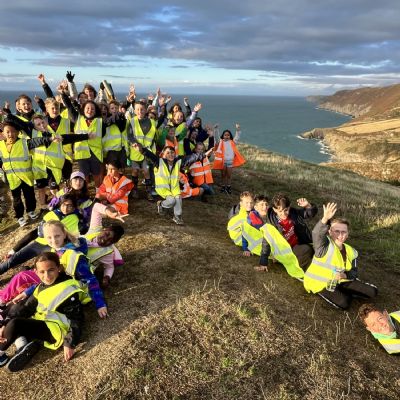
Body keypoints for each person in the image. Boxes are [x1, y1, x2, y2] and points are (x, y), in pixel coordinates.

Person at [0, 252, 90, 371]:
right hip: (43, 322)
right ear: (36, 272)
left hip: (56, 331)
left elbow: (77, 319)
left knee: (15, 324)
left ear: (59, 268)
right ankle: (23, 346)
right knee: (15, 313)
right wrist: (5, 324)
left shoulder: (68, 289)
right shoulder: (41, 286)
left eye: (51, 270)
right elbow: (27, 308)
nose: (47, 276)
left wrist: (69, 343)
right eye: (42, 272)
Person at [304, 202, 378, 309]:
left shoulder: (352, 251)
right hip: (320, 283)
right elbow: (317, 234)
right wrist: (325, 218)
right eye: (337, 231)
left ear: (348, 234)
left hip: (340, 281)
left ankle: (345, 290)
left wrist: (345, 276)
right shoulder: (323, 245)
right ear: (330, 232)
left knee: (373, 292)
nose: (340, 235)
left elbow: (354, 272)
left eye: (344, 232)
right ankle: (341, 293)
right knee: (345, 302)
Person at [0, 195, 84, 275]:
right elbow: (33, 234)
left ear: (74, 207)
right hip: (39, 244)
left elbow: (76, 235)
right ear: (60, 204)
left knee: (49, 269)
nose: (65, 208)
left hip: (56, 248)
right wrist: (13, 250)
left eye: (69, 206)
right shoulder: (51, 215)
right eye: (63, 205)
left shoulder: (75, 218)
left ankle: (28, 272)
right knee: (12, 260)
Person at [0, 119, 61, 226]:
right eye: (7, 132)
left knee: (29, 195)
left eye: (13, 131)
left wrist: (50, 138)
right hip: (13, 178)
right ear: (3, 133)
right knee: (17, 199)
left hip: (26, 176)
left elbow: (38, 141)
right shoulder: (1, 146)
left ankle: (31, 211)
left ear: (18, 132)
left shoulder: (24, 143)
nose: (10, 134)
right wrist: (1, 165)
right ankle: (20, 216)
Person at [134, 143, 207, 225]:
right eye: (168, 153)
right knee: (172, 201)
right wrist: (141, 149)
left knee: (178, 198)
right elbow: (149, 155)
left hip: (174, 188)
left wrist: (204, 155)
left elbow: (191, 158)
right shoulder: (159, 162)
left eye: (172, 152)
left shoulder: (178, 162)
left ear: (175, 154)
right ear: (164, 155)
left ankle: (177, 217)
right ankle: (161, 204)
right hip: (163, 189)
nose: (170, 154)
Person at [241, 195, 305, 279]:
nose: (265, 207)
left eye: (266, 204)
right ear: (255, 207)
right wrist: (245, 248)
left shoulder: (272, 218)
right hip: (261, 247)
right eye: (262, 205)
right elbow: (246, 234)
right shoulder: (251, 219)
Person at [267, 193, 317, 270]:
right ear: (274, 209)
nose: (283, 214)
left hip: (297, 244)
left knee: (312, 249)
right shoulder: (272, 222)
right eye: (280, 211)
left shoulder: (293, 213)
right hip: (285, 251)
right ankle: (307, 270)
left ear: (289, 207)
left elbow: (309, 214)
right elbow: (266, 240)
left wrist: (308, 206)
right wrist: (263, 261)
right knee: (306, 250)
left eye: (286, 210)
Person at [213, 123, 245, 194]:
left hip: (230, 161)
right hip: (223, 161)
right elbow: (216, 137)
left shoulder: (232, 142)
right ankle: (223, 187)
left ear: (230, 136)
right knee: (223, 175)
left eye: (228, 135)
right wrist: (216, 129)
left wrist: (238, 129)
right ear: (223, 136)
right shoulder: (220, 142)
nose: (227, 136)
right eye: (225, 135)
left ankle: (228, 187)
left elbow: (237, 137)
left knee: (229, 175)